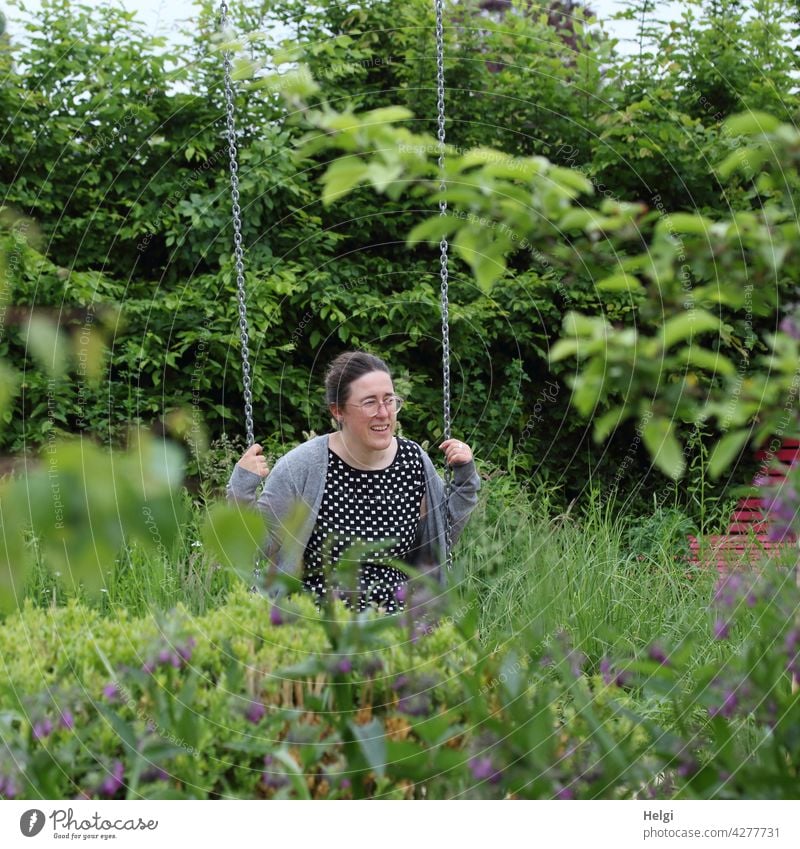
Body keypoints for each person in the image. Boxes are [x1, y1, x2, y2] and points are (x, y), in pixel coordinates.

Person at [226, 351, 480, 612]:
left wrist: (465, 479)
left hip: (398, 619)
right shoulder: (303, 466)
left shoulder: (413, 461)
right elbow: (260, 545)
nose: (384, 413)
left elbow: (441, 537)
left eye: (389, 400)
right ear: (338, 411)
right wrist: (242, 487)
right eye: (370, 402)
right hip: (318, 618)